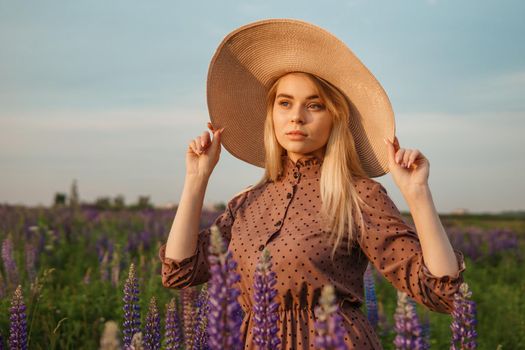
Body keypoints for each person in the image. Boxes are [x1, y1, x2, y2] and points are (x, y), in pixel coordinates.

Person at [159, 18, 467, 349]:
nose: (297, 116)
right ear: (272, 114)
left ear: (335, 116)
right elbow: (180, 273)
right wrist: (196, 180)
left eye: (314, 105)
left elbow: (441, 292)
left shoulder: (357, 195)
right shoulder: (247, 203)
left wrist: (418, 194)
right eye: (285, 102)